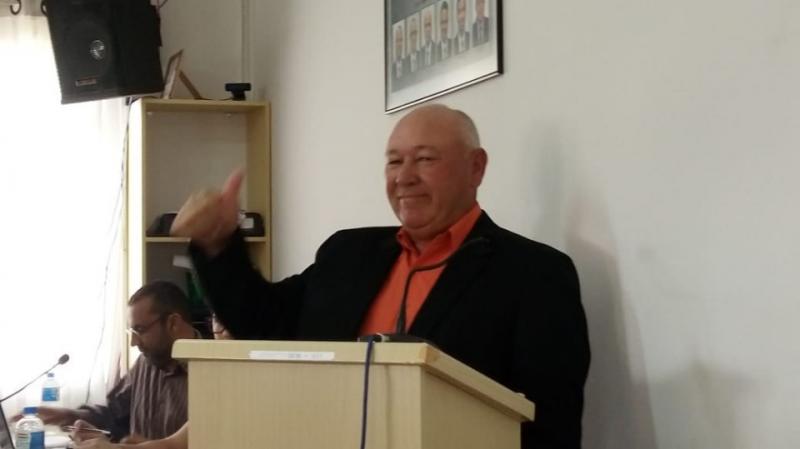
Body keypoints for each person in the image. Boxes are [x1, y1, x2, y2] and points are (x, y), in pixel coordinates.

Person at [170, 104, 590, 449]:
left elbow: (550, 426)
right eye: (394, 161)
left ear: (475, 168)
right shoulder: (347, 254)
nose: (404, 177)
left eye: (425, 159)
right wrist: (218, 244)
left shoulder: (535, 274)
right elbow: (264, 322)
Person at [15, 281, 198, 443]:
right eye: (132, 333)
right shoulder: (146, 362)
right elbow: (114, 413)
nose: (134, 343)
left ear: (173, 323)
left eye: (140, 330)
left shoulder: (209, 372)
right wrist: (69, 415)